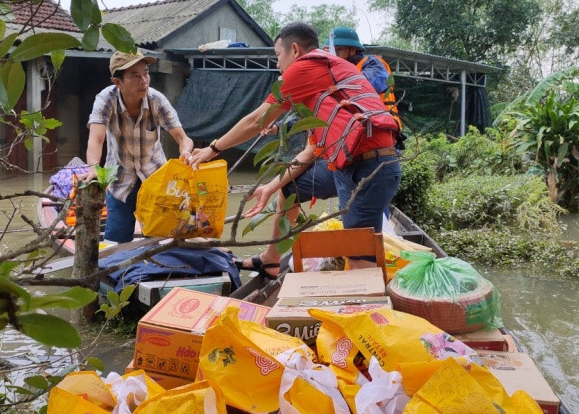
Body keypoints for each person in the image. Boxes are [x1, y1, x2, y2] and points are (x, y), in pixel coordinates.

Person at [187, 22, 401, 277]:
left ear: (295, 50)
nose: (277, 64)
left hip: (367, 171)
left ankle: (368, 312)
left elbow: (258, 121)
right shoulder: (330, 74)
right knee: (290, 189)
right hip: (349, 168)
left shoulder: (305, 68)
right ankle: (271, 260)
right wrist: (270, 186)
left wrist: (212, 149)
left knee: (360, 263)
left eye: (278, 55)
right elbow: (311, 151)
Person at [81, 51, 194, 243]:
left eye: (145, 73)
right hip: (120, 177)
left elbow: (183, 138)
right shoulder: (106, 100)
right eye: (135, 76)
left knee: (158, 238)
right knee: (115, 241)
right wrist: (93, 168)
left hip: (155, 176)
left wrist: (185, 153)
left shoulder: (156, 100)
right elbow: (96, 139)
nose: (144, 81)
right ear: (117, 82)